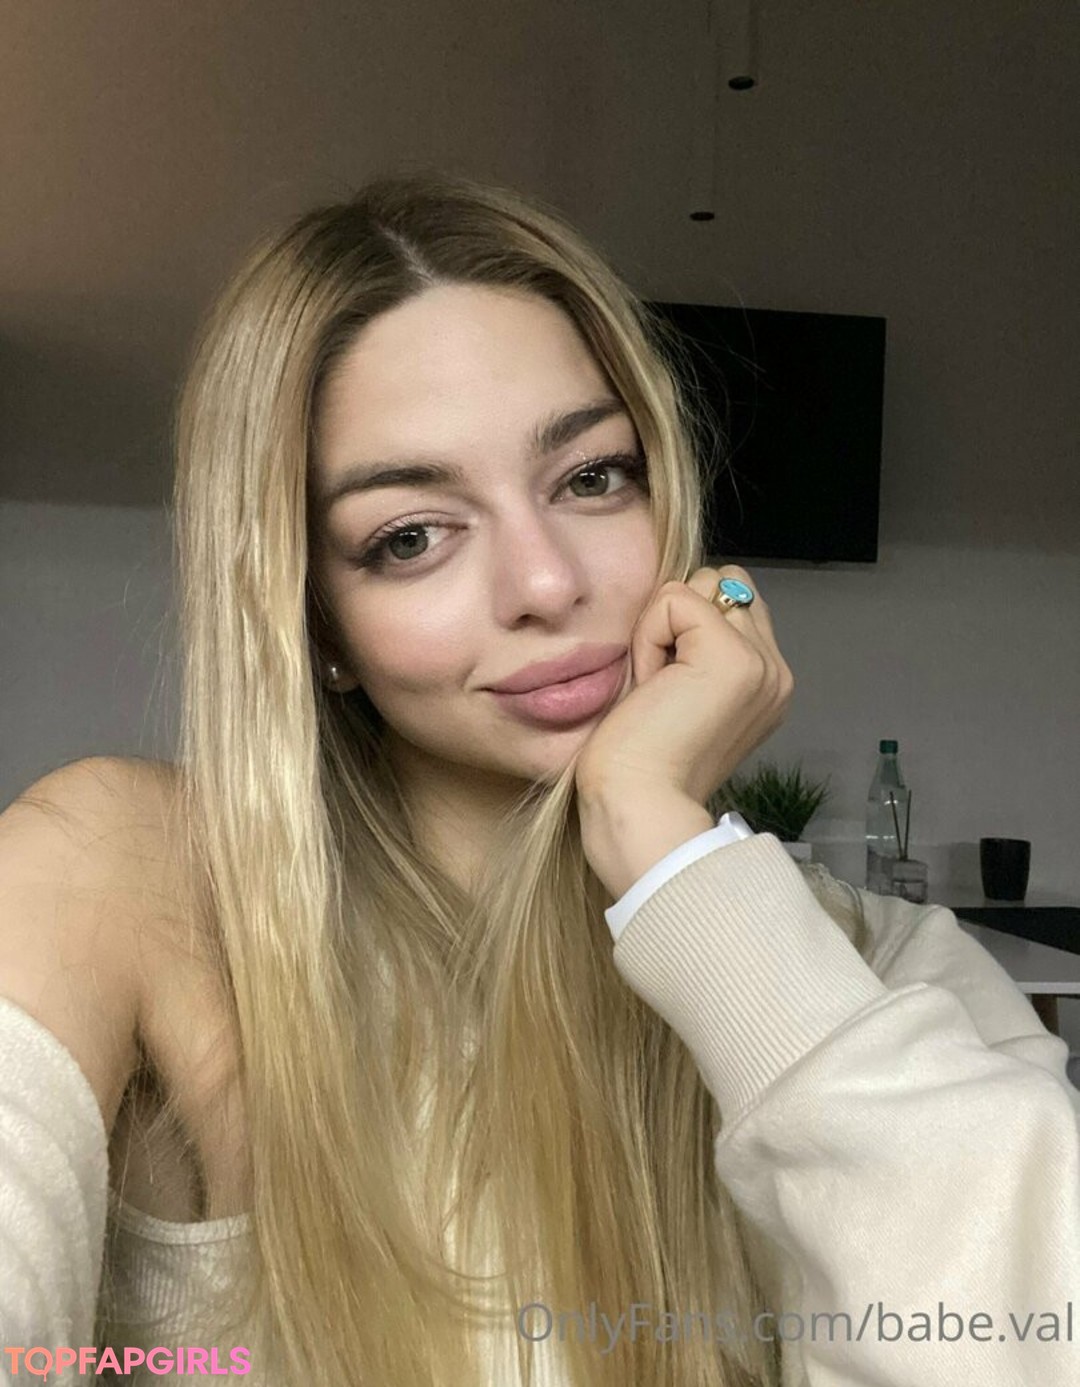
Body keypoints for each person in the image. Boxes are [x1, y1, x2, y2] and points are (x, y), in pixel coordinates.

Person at [1, 170, 1077, 1387]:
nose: (548, 583)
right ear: (315, 622)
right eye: (411, 535)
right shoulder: (125, 881)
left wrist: (667, 848)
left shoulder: (878, 970)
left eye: (591, 477)